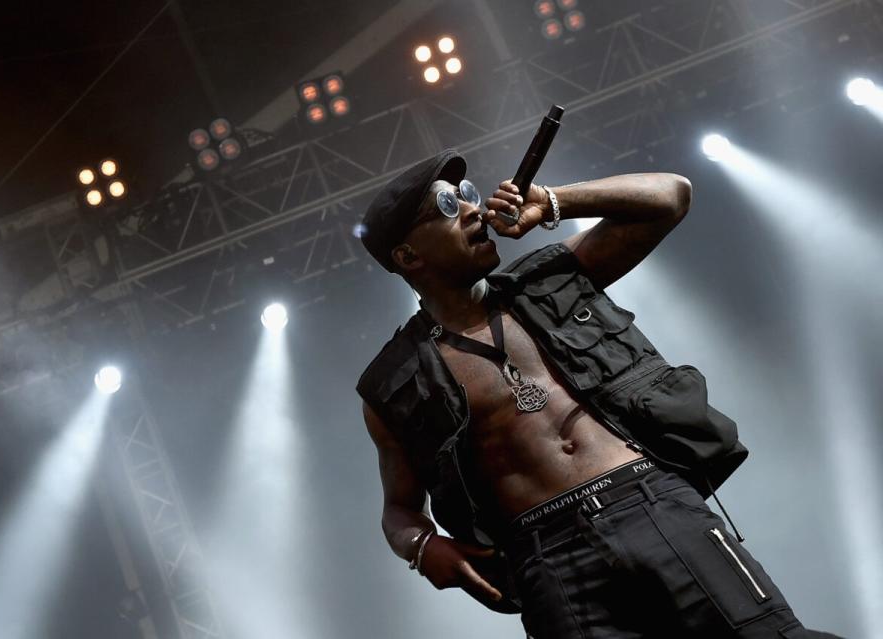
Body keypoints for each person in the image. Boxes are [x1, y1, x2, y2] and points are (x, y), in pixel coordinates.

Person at [355, 149, 840, 638]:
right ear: (408, 256)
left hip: (651, 502)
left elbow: (670, 196)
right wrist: (421, 546)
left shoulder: (547, 280)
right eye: (447, 207)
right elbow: (398, 508)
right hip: (547, 558)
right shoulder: (392, 382)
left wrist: (551, 202)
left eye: (467, 196)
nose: (473, 209)